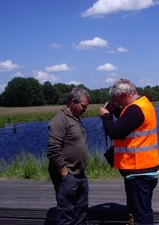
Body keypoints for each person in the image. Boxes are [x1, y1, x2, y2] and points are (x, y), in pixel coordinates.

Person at [98, 78, 159, 225]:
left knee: (139, 217)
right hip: (146, 169)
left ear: (125, 95)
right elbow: (130, 122)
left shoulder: (135, 109)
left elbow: (115, 131)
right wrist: (117, 111)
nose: (117, 102)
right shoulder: (143, 104)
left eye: (117, 99)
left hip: (138, 170)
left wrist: (106, 115)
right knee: (145, 211)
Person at [47, 87, 90, 225]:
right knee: (66, 213)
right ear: (73, 102)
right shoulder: (60, 120)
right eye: (83, 106)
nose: (85, 109)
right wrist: (64, 173)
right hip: (67, 175)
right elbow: (53, 150)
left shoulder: (75, 118)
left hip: (80, 174)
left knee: (81, 212)